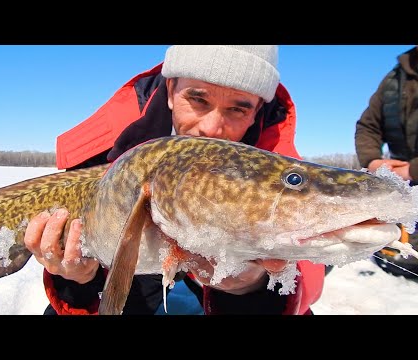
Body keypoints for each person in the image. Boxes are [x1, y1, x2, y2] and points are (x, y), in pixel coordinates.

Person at [24, 45, 325, 315]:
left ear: (257, 110)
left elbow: (307, 282)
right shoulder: (104, 154)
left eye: (237, 108)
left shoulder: (279, 166)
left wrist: (250, 287)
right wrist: (80, 279)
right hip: (131, 277)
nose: (212, 128)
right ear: (170, 91)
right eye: (198, 99)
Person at [355, 45, 418, 278]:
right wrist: (372, 161)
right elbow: (367, 126)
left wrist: (413, 169)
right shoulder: (393, 79)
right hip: (401, 177)